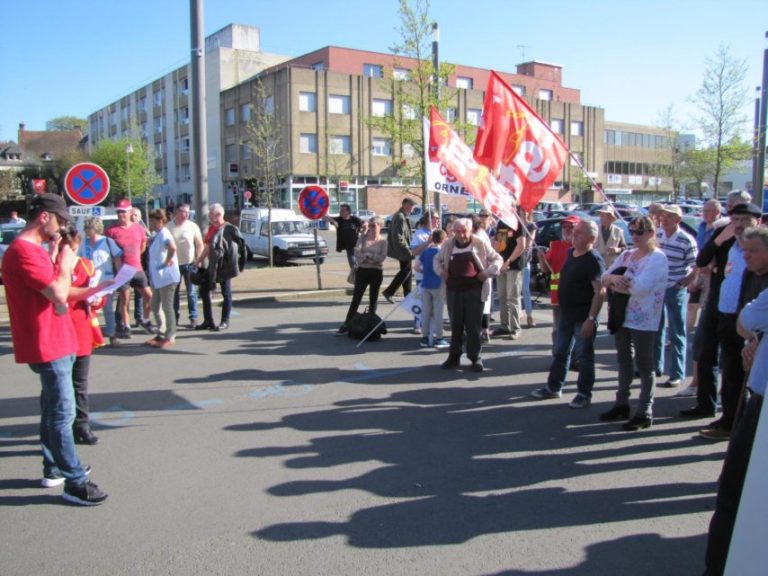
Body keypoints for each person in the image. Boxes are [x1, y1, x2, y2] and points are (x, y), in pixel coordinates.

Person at [1, 193, 108, 505]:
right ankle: (75, 481)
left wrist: (95, 289)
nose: (63, 230)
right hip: (47, 342)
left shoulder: (32, 250)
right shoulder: (24, 251)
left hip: (56, 339)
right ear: (44, 217)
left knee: (53, 410)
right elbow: (58, 293)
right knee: (63, 413)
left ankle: (54, 466)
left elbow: (60, 292)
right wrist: (65, 259)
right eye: (61, 222)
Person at [702, 236, 767, 576]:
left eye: (754, 251)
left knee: (736, 492)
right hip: (755, 393)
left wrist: (756, 334)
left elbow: (748, 319)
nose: (747, 256)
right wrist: (757, 337)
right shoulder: (751, 277)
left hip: (761, 406)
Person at [680, 191, 751, 419]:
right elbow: (702, 260)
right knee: (704, 350)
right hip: (716, 298)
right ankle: (705, 405)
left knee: (733, 361)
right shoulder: (722, 230)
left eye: (740, 210)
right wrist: (719, 240)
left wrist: (717, 268)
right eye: (731, 209)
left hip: (740, 305)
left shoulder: (756, 237)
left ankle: (732, 415)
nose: (735, 216)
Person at [698, 203, 762, 441]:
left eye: (744, 220)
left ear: (756, 221)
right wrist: (718, 239)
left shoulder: (759, 246)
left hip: (745, 317)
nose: (738, 225)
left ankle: (738, 424)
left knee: (742, 372)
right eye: (734, 220)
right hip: (724, 312)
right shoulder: (730, 242)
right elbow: (702, 259)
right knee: (729, 369)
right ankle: (729, 419)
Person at [600, 215, 668, 431]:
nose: (635, 236)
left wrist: (617, 282)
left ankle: (644, 410)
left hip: (644, 318)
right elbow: (605, 276)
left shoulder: (657, 258)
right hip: (622, 315)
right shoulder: (628, 255)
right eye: (632, 232)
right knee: (623, 360)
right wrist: (613, 280)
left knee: (645, 365)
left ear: (651, 233)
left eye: (640, 232)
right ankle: (622, 403)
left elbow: (641, 287)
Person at [530, 219, 605, 407]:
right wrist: (542, 260)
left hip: (583, 316)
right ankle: (554, 387)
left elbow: (600, 291)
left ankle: (584, 393)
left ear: (592, 238)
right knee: (561, 352)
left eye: (579, 232)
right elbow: (554, 273)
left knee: (585, 356)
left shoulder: (593, 259)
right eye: (574, 231)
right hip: (566, 313)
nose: (574, 235)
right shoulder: (571, 253)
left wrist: (591, 318)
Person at [435, 217, 502, 373]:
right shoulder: (448, 244)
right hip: (454, 291)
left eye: (464, 231)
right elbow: (436, 260)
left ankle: (475, 357)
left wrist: (486, 273)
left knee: (473, 326)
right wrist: (441, 272)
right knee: (456, 325)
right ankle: (454, 356)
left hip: (474, 291)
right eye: (457, 231)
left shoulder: (480, 242)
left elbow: (497, 259)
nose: (461, 235)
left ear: (470, 230)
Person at [66, 228, 107, 445]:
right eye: (68, 249)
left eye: (73, 248)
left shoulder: (86, 265)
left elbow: (97, 299)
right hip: (61, 330)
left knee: (80, 384)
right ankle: (64, 426)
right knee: (59, 385)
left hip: (81, 329)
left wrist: (96, 299)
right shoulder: (53, 267)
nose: (71, 253)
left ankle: (82, 425)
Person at [653, 204, 697, 388]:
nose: (664, 219)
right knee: (656, 328)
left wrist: (682, 284)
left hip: (675, 288)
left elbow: (696, 266)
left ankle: (676, 373)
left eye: (669, 216)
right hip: (658, 288)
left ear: (678, 220)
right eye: (663, 216)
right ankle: (655, 367)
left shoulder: (686, 240)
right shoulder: (658, 235)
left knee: (677, 332)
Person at [106, 198, 153, 339]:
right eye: (119, 212)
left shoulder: (138, 228)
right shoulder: (111, 231)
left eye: (123, 212)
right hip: (122, 271)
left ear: (129, 212)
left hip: (137, 268)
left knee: (150, 297)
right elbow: (108, 251)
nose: (121, 214)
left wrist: (135, 257)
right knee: (125, 300)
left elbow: (143, 246)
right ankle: (126, 326)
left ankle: (145, 320)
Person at [195, 203, 246, 331]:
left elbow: (239, 247)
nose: (210, 216)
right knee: (204, 291)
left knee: (226, 293)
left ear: (218, 214)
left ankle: (225, 321)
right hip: (212, 267)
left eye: (211, 214)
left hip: (224, 268)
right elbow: (207, 246)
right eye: (210, 214)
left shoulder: (229, 229)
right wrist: (199, 260)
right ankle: (208, 320)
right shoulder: (212, 228)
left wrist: (237, 264)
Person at [338, 216, 387, 333]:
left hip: (376, 272)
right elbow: (357, 251)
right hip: (362, 271)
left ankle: (370, 324)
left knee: (373, 300)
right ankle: (347, 323)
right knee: (356, 298)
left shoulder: (383, 241)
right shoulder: (363, 238)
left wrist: (369, 256)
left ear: (380, 226)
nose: (370, 228)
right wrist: (367, 257)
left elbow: (381, 258)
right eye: (369, 225)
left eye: (373, 225)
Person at [80, 216, 123, 347]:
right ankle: (91, 337)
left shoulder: (108, 242)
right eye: (86, 228)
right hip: (89, 283)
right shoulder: (84, 244)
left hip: (106, 281)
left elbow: (117, 259)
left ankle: (112, 335)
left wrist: (119, 278)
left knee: (108, 309)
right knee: (88, 311)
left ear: (95, 228)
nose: (86, 230)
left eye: (88, 228)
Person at [538, 215, 579, 344]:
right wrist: (541, 258)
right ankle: (558, 356)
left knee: (576, 329)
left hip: (577, 296)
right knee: (558, 328)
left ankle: (575, 360)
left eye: (570, 227)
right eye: (564, 227)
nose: (567, 229)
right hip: (558, 295)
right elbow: (545, 269)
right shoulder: (555, 246)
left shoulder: (582, 248)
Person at [145, 209, 181, 349]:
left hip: (167, 277)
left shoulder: (165, 233)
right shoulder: (157, 234)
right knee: (154, 305)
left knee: (167, 307)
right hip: (158, 278)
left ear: (159, 221)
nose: (151, 223)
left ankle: (170, 335)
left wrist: (167, 262)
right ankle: (161, 332)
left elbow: (172, 248)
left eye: (153, 220)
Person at [492, 209, 526, 340]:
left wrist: (508, 261)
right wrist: (497, 259)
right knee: (502, 296)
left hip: (514, 265)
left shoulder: (518, 223)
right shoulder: (501, 223)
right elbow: (499, 244)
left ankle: (515, 328)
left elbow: (521, 245)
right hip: (502, 265)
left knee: (513, 297)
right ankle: (504, 325)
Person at [167, 203, 203, 328]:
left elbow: (199, 244)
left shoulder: (192, 226)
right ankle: (174, 317)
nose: (186, 214)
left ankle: (193, 317)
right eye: (184, 211)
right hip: (174, 265)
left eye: (188, 212)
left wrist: (198, 260)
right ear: (177, 211)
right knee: (174, 293)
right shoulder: (169, 226)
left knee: (191, 292)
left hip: (189, 263)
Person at [416, 228, 449, 348]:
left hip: (426, 283)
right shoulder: (442, 252)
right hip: (438, 284)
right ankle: (439, 337)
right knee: (438, 312)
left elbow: (416, 267)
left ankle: (424, 337)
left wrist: (424, 271)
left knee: (425, 311)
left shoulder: (426, 251)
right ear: (444, 239)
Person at [409, 212, 440, 335]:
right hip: (422, 272)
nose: (438, 220)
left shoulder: (439, 233)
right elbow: (414, 252)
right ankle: (418, 323)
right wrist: (428, 242)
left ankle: (433, 325)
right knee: (422, 300)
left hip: (437, 273)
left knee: (436, 301)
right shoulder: (419, 233)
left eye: (438, 218)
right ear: (429, 219)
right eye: (435, 218)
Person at [382, 197, 416, 303]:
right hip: (402, 249)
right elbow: (398, 236)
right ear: (405, 204)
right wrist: (407, 249)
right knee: (406, 270)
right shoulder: (400, 217)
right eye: (411, 205)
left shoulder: (403, 216)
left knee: (407, 270)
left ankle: (408, 294)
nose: (412, 208)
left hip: (404, 248)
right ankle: (389, 291)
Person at [324, 203, 363, 269]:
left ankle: (358, 275)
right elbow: (325, 218)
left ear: (348, 211)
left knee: (359, 264)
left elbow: (365, 224)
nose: (340, 212)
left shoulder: (355, 219)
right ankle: (356, 276)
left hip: (357, 245)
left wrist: (363, 229)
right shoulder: (339, 220)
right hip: (348, 246)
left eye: (342, 210)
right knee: (353, 265)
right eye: (340, 210)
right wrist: (333, 221)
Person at [520, 211, 538, 328]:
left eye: (526, 210)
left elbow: (528, 244)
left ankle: (529, 315)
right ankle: (516, 314)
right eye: (521, 210)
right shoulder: (515, 224)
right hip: (514, 262)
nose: (523, 213)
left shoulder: (531, 226)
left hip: (525, 261)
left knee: (525, 289)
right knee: (514, 290)